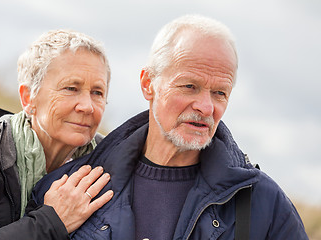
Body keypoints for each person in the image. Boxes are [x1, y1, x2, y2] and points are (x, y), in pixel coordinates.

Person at [32, 15, 308, 239]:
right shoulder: (69, 189)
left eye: (219, 93)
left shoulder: (265, 205)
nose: (206, 107)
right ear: (148, 84)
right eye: (190, 86)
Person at [0, 29, 114, 239]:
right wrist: (51, 222)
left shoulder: (113, 172)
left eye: (97, 92)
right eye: (71, 88)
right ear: (28, 98)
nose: (87, 106)